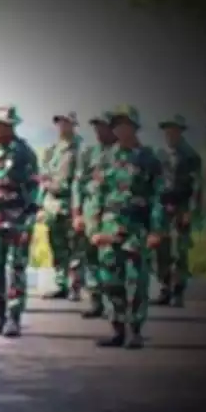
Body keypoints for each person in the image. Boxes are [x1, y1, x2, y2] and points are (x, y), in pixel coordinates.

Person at [89, 106, 164, 349]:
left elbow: (158, 197)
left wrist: (156, 230)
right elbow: (96, 195)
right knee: (111, 280)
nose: (120, 129)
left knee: (136, 281)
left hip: (137, 227)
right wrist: (94, 229)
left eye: (125, 124)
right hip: (110, 227)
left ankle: (135, 330)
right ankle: (117, 328)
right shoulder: (106, 157)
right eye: (116, 125)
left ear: (134, 126)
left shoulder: (149, 159)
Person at [0, 105, 39, 336]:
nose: (1, 129)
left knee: (15, 269)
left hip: (16, 218)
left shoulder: (24, 153)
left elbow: (34, 190)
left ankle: (13, 317)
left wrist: (28, 222)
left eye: (6, 125)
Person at [152, 115, 204, 308]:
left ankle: (178, 291)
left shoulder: (190, 156)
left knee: (179, 251)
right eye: (167, 130)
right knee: (161, 250)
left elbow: (197, 186)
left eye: (173, 130)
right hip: (162, 208)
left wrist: (190, 210)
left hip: (181, 207)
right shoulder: (160, 154)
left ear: (181, 131)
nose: (169, 134)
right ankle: (165, 288)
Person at [71, 113, 116, 319]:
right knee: (90, 260)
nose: (98, 131)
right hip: (90, 213)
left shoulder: (121, 153)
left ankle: (114, 305)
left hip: (111, 216)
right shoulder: (89, 153)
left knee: (110, 261)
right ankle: (96, 301)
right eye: (96, 127)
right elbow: (78, 184)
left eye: (103, 127)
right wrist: (77, 213)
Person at [38, 112, 82, 300]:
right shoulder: (52, 150)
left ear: (73, 125)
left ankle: (75, 286)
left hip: (69, 204)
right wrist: (40, 205)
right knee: (57, 247)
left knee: (75, 248)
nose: (62, 126)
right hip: (52, 206)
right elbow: (43, 178)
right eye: (60, 123)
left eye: (66, 123)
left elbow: (77, 182)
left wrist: (78, 210)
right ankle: (60, 283)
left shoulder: (79, 150)